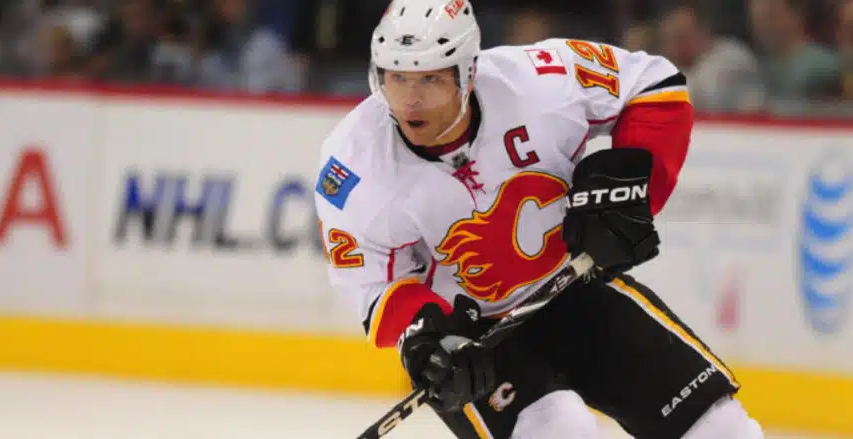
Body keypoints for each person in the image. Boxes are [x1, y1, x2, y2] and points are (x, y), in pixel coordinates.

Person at [313, 0, 762, 437]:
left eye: (429, 78)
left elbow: (654, 85)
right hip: (475, 340)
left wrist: (631, 190)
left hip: (576, 287)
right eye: (397, 78)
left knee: (719, 428)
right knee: (564, 430)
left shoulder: (540, 81)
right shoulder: (352, 164)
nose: (410, 100)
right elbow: (373, 285)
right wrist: (426, 341)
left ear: (467, 73)